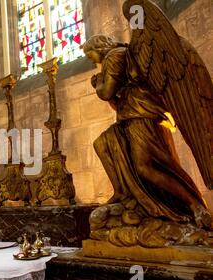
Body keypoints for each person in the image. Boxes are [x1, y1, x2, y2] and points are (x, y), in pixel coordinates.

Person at [83, 34, 212, 247]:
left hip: (142, 114)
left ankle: (193, 205)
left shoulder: (115, 56)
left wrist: (97, 85)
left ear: (99, 47)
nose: (91, 60)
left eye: (91, 54)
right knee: (103, 143)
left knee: (145, 167)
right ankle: (124, 193)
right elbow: (116, 102)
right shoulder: (119, 59)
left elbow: (107, 93)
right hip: (129, 116)